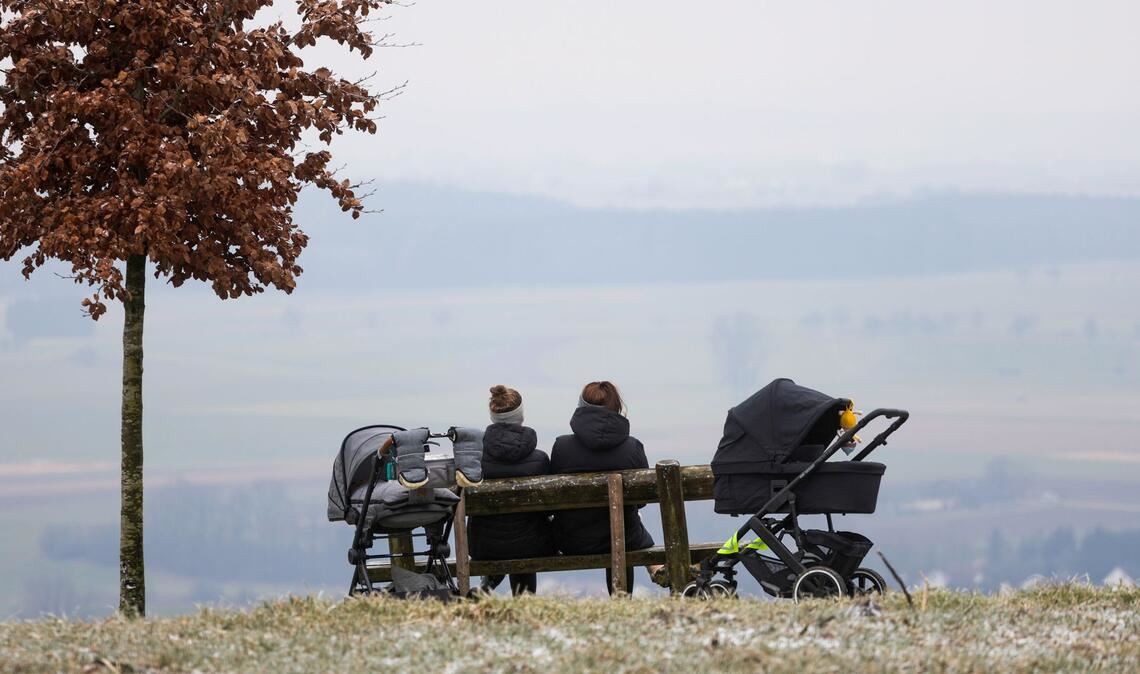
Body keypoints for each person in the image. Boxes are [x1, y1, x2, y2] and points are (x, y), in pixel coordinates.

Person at [550, 381, 656, 594]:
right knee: (624, 528)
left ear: (581, 408)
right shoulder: (632, 448)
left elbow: (554, 501)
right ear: (617, 408)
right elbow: (642, 500)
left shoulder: (562, 447)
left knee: (621, 528)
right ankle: (622, 597)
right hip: (624, 539)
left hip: (573, 540)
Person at [467, 385, 555, 595]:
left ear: (493, 416)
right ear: (520, 415)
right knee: (524, 534)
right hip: (532, 544)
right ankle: (524, 599)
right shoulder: (539, 460)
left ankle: (487, 585)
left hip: (484, 547)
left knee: (509, 534)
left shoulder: (475, 461)